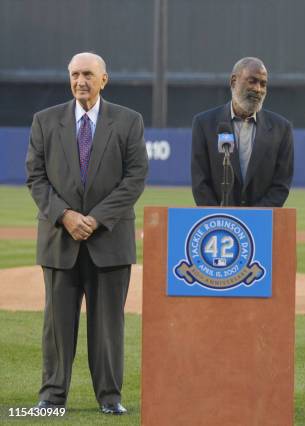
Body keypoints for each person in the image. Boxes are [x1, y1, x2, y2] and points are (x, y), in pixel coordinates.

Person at [25, 52, 148, 415]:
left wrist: (93, 219)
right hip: (59, 240)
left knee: (108, 326)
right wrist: (65, 215)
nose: (81, 81)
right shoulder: (44, 122)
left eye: (89, 75)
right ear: (69, 78)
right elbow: (36, 177)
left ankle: (110, 398)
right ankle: (51, 397)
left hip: (109, 240)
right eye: (76, 74)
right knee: (56, 327)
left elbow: (135, 178)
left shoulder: (128, 122)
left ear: (104, 79)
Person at [191, 57, 294, 207]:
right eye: (252, 81)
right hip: (221, 226)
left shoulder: (282, 129)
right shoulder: (204, 124)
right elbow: (200, 182)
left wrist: (252, 219)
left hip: (260, 224)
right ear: (233, 81)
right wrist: (221, 218)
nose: (258, 89)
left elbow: (281, 185)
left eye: (263, 84)